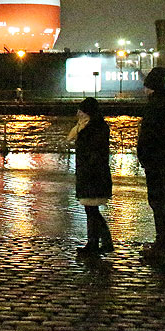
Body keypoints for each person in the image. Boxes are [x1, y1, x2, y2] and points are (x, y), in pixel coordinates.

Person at [137, 66, 165, 260]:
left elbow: (150, 135)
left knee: (158, 202)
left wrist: (143, 155)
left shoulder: (155, 106)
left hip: (156, 160)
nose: (144, 90)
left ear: (152, 87)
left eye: (146, 86)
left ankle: (163, 245)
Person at [68, 97, 113, 255]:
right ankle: (100, 242)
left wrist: (88, 167)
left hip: (92, 174)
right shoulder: (89, 126)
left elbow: (94, 152)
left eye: (81, 110)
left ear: (88, 112)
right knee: (91, 210)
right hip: (90, 173)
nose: (78, 113)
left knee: (91, 210)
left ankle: (96, 243)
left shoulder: (92, 128)